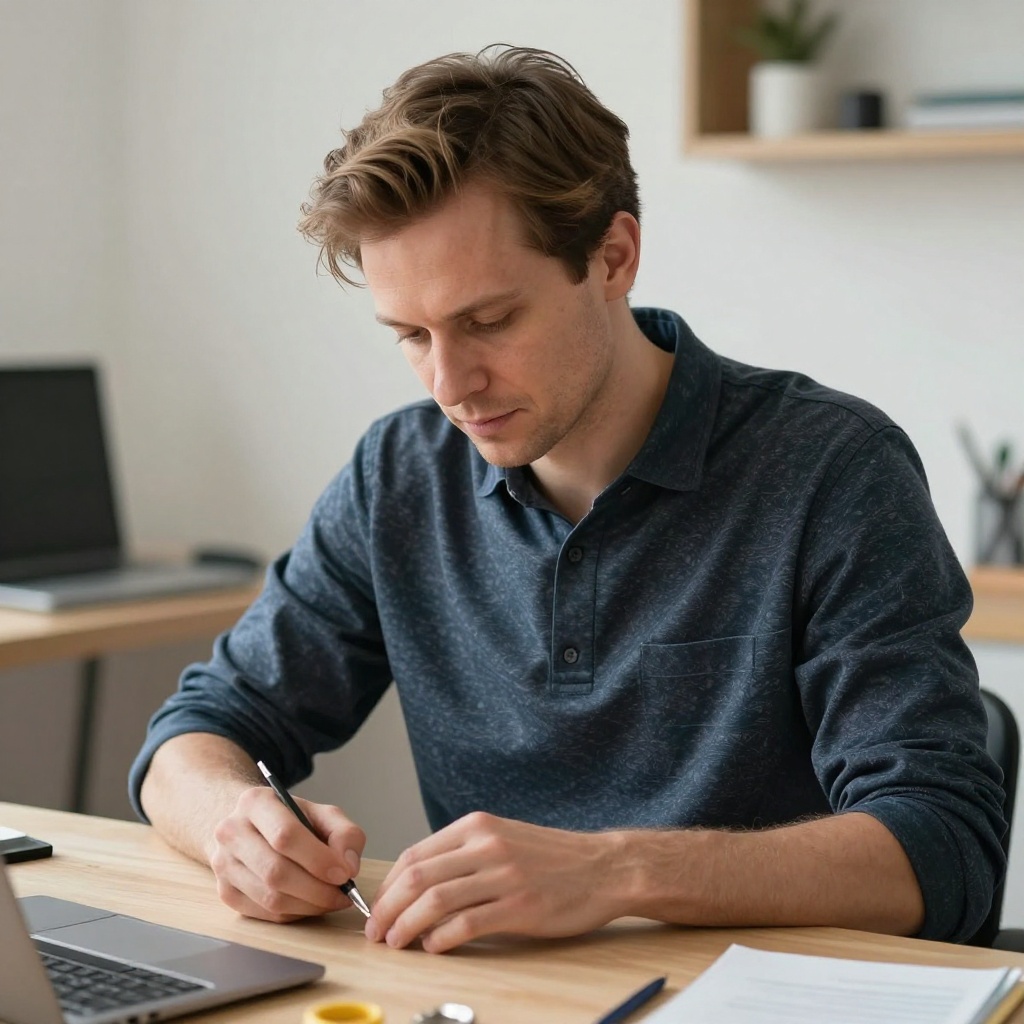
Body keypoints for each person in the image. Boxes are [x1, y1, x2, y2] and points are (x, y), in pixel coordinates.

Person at [130, 44, 1005, 955]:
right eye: (410, 334)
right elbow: (195, 735)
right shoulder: (400, 474)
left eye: (489, 321)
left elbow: (944, 848)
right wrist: (236, 821)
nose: (449, 383)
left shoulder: (833, 469)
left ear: (615, 255)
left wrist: (616, 870)